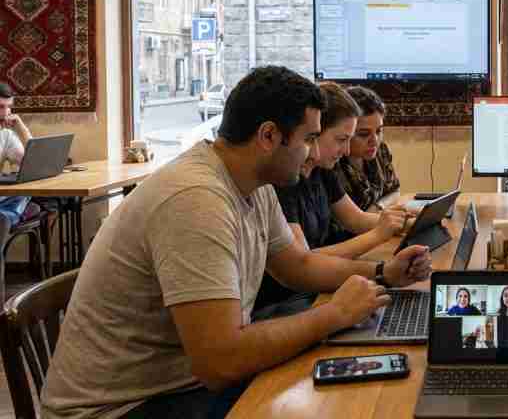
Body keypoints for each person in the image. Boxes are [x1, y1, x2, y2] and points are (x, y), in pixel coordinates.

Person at [41, 66, 432, 419]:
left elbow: (298, 266)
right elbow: (221, 361)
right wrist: (334, 315)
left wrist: (384, 272)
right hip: (123, 407)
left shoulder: (251, 182)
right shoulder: (196, 200)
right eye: (309, 139)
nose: (315, 153)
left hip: (176, 384)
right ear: (268, 136)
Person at [253, 82, 413, 313]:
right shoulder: (284, 179)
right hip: (288, 299)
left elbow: (356, 219)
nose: (347, 151)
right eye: (341, 139)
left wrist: (411, 221)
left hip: (309, 290)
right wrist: (379, 242)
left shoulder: (321, 171)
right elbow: (303, 262)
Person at [333, 86, 400, 213]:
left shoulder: (380, 150)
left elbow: (394, 191)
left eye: (379, 131)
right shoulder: (333, 163)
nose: (374, 141)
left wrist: (378, 207)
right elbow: (349, 224)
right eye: (363, 134)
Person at [0, 82, 32, 237]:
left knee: (27, 189)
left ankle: (7, 215)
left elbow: (33, 163)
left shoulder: (5, 134)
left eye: (9, 107)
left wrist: (21, 128)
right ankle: (12, 214)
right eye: (1, 107)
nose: (6, 113)